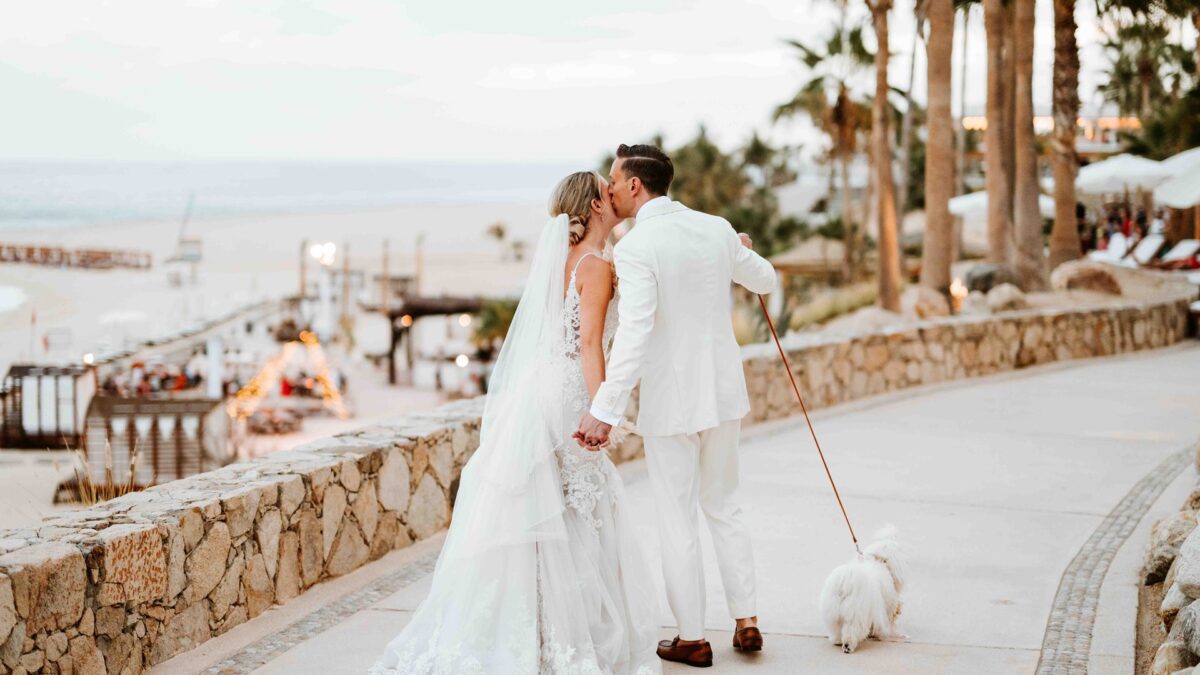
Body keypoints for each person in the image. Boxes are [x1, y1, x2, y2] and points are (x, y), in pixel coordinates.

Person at [372, 171, 661, 674]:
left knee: (550, 510)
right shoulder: (595, 266)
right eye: (606, 189)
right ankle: (563, 638)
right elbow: (590, 345)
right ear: (595, 205)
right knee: (576, 507)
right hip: (571, 392)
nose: (613, 193)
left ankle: (540, 629)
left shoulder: (564, 261)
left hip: (540, 389)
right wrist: (602, 411)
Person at [576, 144, 777, 668]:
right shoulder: (715, 228)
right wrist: (738, 249)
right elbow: (766, 279)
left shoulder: (639, 247)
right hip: (724, 395)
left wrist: (605, 408)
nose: (612, 189)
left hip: (672, 403)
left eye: (616, 181)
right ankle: (747, 621)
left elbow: (637, 332)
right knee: (725, 505)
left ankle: (692, 637)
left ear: (636, 186)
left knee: (677, 517)